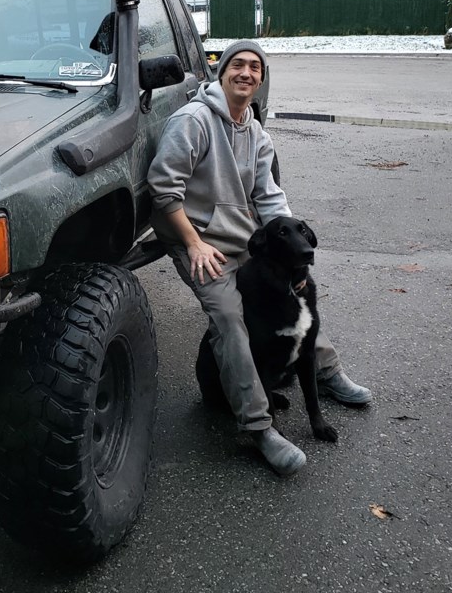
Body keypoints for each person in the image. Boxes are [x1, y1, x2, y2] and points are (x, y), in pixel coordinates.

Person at [147, 40, 372, 476]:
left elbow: (270, 200)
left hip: (241, 239)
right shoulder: (193, 122)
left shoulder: (256, 134)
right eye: (238, 65)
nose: (246, 73)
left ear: (261, 79)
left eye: (255, 67)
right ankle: (258, 427)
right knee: (231, 317)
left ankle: (325, 371)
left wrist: (291, 252)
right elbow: (162, 190)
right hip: (197, 241)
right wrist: (193, 243)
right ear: (222, 72)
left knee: (296, 293)